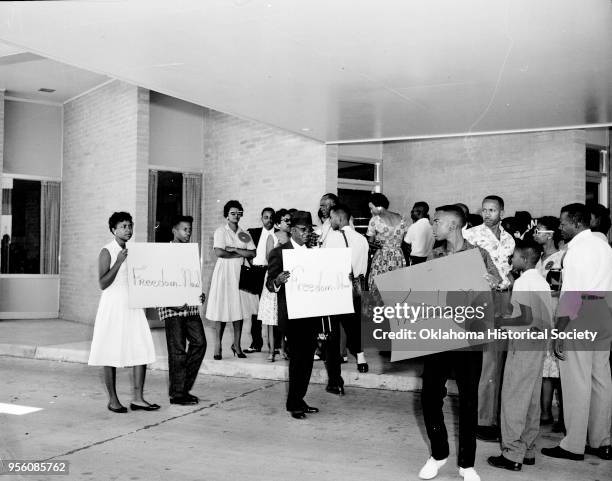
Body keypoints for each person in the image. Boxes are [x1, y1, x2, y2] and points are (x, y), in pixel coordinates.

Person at [419, 205, 500, 481]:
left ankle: (466, 464)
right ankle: (438, 454)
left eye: (437, 220)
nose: (433, 224)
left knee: (468, 399)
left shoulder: (479, 255)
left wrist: (493, 284)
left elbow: (501, 285)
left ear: (453, 225)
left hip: (468, 336)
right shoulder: (434, 254)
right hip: (437, 335)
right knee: (430, 396)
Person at [542, 203, 612, 462]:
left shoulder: (577, 250)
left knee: (576, 382)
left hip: (582, 314)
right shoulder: (604, 246)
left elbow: (572, 295)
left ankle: (573, 445)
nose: (560, 227)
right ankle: (601, 441)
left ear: (577, 223)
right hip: (604, 312)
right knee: (601, 379)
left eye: (563, 223)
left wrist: (559, 331)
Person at [488, 241, 552, 471]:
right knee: (531, 398)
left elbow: (522, 320)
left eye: (513, 256)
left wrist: (499, 320)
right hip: (538, 345)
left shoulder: (524, 283)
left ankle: (512, 454)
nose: (510, 260)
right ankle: (528, 450)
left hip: (523, 345)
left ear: (524, 260)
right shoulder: (541, 282)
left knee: (514, 397)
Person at [88, 212, 158, 413]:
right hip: (113, 306)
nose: (128, 230)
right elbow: (102, 283)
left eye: (130, 226)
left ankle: (138, 398)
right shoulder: (107, 251)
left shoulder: (134, 250)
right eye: (123, 226)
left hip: (133, 306)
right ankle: (113, 400)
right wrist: (118, 261)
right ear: (113, 230)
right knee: (110, 351)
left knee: (141, 348)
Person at [464, 195, 516, 442]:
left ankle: (493, 417)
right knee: (484, 360)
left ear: (501, 212)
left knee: (498, 359)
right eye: (484, 210)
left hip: (504, 299)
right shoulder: (472, 235)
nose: (487, 214)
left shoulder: (509, 239)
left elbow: (509, 269)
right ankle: (480, 419)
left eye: (492, 210)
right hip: (481, 299)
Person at [266, 210, 320, 419]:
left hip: (312, 314)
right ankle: (294, 403)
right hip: (292, 315)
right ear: (293, 230)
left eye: (309, 230)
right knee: (298, 360)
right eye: (304, 230)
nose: (307, 233)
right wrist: (278, 281)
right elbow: (270, 285)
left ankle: (300, 398)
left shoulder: (313, 252)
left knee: (307, 360)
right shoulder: (279, 253)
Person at [156, 215, 206, 406]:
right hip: (172, 309)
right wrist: (170, 303)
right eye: (185, 229)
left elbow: (191, 278)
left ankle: (181, 388)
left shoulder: (191, 252)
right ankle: (178, 394)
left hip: (190, 307)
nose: (188, 233)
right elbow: (157, 281)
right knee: (177, 351)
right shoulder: (163, 252)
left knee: (200, 343)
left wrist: (199, 294)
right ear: (174, 230)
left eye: (190, 229)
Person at [322, 204, 369, 394]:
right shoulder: (362, 239)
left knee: (332, 338)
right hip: (356, 290)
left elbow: (324, 264)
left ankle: (335, 381)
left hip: (336, 291)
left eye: (332, 218)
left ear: (340, 219)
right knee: (354, 327)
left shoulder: (332, 238)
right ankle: (362, 360)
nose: (330, 221)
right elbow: (364, 267)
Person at [205, 201, 257, 360]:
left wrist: (234, 249)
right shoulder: (221, 231)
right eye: (233, 213)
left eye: (238, 213)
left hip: (240, 273)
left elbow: (253, 253)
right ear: (227, 215)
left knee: (238, 309)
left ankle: (237, 345)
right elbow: (219, 252)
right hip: (224, 273)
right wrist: (241, 253)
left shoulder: (243, 233)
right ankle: (218, 347)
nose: (236, 216)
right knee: (221, 309)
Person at [533, 216, 565, 431]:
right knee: (544, 366)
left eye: (540, 230)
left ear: (551, 233)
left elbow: (559, 288)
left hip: (555, 314)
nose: (536, 233)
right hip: (540, 315)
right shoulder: (537, 258)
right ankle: (544, 413)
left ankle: (563, 416)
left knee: (559, 365)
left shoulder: (562, 257)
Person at [257, 209, 291, 361]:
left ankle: (283, 349)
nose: (289, 223)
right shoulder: (272, 237)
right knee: (272, 319)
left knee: (283, 317)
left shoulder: (292, 238)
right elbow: (269, 258)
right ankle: (271, 351)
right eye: (285, 220)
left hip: (287, 279)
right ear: (278, 223)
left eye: (289, 220)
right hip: (274, 279)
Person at [244, 207, 276, 354]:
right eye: (265, 217)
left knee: (272, 309)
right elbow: (244, 247)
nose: (268, 220)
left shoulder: (278, 234)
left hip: (270, 273)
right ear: (261, 218)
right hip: (256, 272)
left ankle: (274, 346)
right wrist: (251, 261)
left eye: (270, 217)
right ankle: (256, 343)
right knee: (256, 311)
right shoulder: (253, 232)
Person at [366, 192, 408, 290]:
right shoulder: (401, 218)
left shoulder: (375, 220)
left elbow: (370, 242)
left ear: (379, 206)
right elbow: (405, 238)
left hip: (382, 257)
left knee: (378, 286)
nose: (371, 211)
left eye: (371, 208)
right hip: (398, 256)